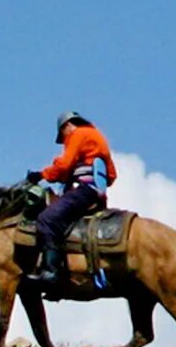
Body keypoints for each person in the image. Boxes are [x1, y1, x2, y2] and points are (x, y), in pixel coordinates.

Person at [30, 112, 116, 283]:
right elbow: (111, 175)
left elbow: (64, 165)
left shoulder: (78, 134)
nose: (65, 140)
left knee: (47, 219)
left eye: (63, 136)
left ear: (67, 126)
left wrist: (41, 175)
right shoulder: (97, 137)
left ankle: (51, 271)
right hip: (95, 194)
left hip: (83, 190)